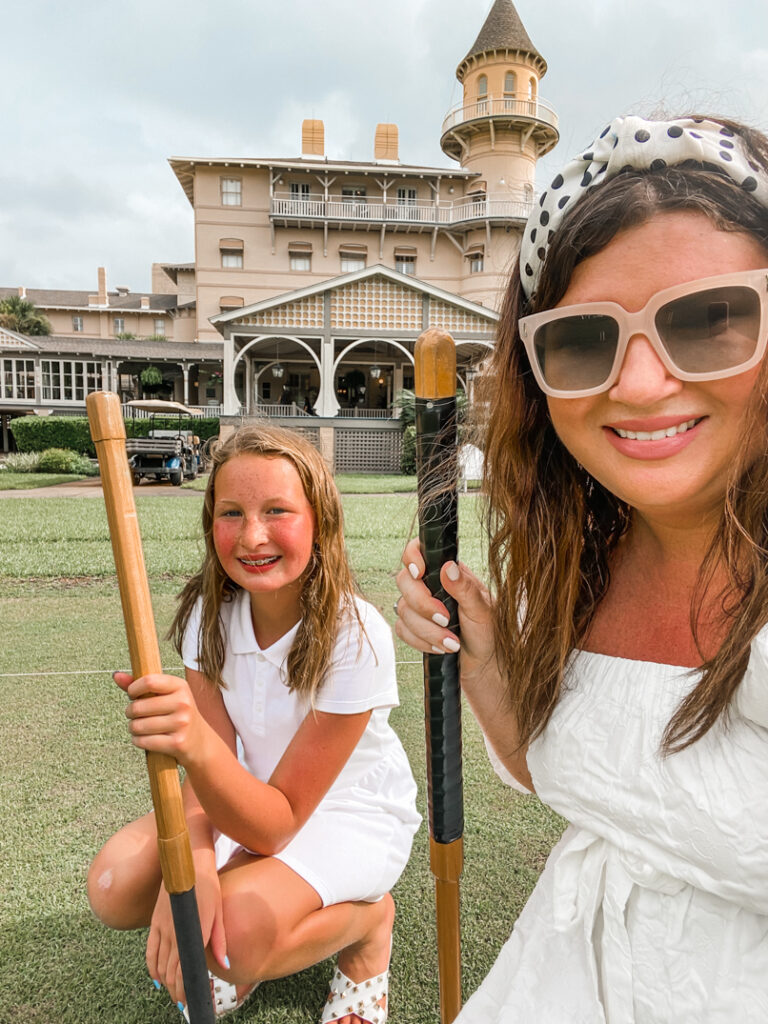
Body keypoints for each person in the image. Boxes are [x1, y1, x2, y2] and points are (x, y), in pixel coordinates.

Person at [395, 114, 768, 1022]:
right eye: (583, 339)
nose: (638, 384)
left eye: (711, 319)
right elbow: (579, 777)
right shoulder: (573, 565)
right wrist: (488, 666)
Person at [88, 424, 420, 1023]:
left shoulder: (358, 634)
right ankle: (243, 917)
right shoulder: (207, 617)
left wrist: (191, 746)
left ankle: (369, 926)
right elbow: (211, 774)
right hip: (239, 797)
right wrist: (187, 866)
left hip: (345, 812)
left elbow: (280, 822)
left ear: (320, 520)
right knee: (114, 887)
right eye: (231, 512)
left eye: (277, 511)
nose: (253, 535)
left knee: (231, 939)